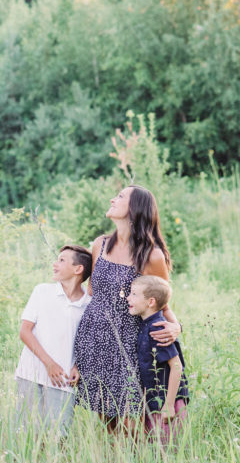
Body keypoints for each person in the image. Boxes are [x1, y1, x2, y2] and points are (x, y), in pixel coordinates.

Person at [70, 185, 182, 436]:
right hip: (94, 339)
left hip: (129, 343)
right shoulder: (100, 244)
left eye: (120, 197)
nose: (112, 198)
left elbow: (161, 300)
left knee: (131, 423)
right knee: (106, 419)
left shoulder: (152, 255)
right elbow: (91, 292)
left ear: (134, 209)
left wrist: (176, 326)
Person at [14, 244, 93, 438]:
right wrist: (49, 364)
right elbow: (25, 332)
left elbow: (86, 342)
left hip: (63, 381)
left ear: (78, 269)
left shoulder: (88, 304)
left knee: (58, 437)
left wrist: (77, 366)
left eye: (61, 260)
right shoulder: (42, 291)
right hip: (30, 374)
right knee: (24, 434)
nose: (54, 264)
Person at [125, 275, 189, 444]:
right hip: (156, 403)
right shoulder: (145, 325)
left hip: (168, 404)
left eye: (133, 294)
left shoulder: (157, 329)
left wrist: (168, 404)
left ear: (150, 302)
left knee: (167, 452)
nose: (128, 298)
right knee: (155, 450)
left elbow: (176, 366)